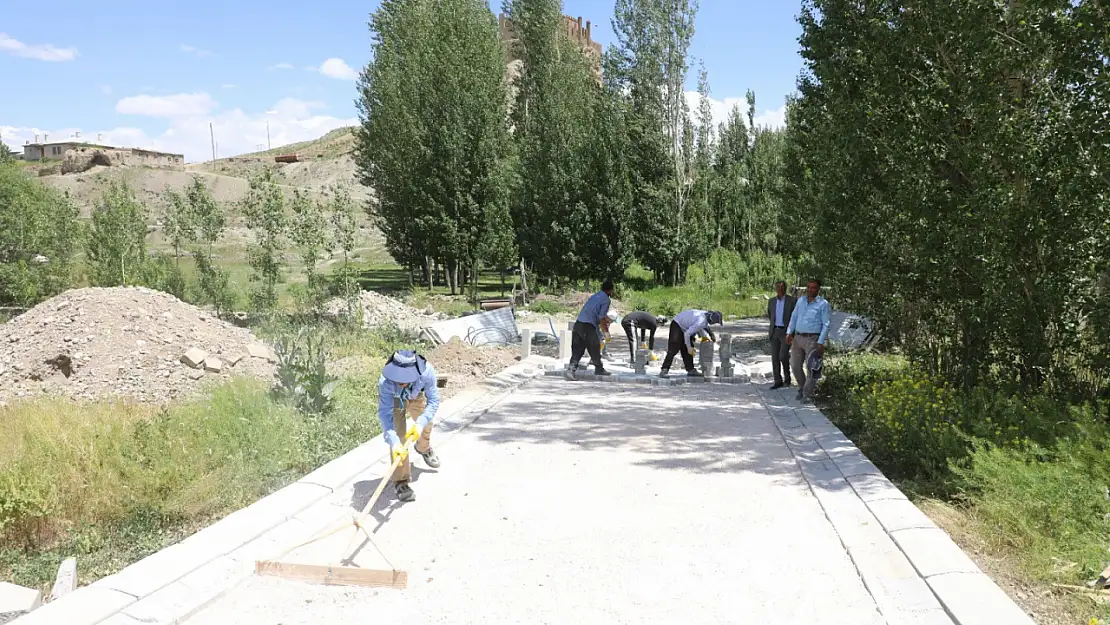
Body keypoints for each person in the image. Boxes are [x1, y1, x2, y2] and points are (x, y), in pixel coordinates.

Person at [377, 349, 441, 503]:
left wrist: (420, 423)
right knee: (399, 437)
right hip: (395, 400)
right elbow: (385, 415)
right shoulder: (385, 382)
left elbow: (433, 401)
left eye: (404, 379)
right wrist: (393, 441)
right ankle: (401, 481)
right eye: (397, 379)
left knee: (426, 425)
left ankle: (423, 448)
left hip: (416, 395)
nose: (400, 382)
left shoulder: (427, 372)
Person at [785, 279, 831, 403]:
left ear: (818, 289)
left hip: (813, 339)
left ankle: (807, 394)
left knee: (811, 367)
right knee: (794, 365)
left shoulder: (823, 304)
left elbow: (826, 324)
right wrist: (789, 332)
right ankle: (802, 387)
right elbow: (794, 317)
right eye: (809, 287)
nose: (811, 290)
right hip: (798, 338)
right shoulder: (801, 301)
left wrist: (821, 342)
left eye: (814, 288)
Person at [567, 279, 614, 379]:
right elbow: (601, 318)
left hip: (578, 324)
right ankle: (599, 369)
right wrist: (606, 333)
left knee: (577, 349)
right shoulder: (606, 299)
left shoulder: (595, 296)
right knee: (595, 347)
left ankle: (571, 370)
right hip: (587, 326)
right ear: (610, 291)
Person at [660, 309, 723, 377]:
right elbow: (687, 334)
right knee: (674, 347)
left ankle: (690, 370)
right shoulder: (701, 321)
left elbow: (705, 326)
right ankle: (664, 370)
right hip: (677, 324)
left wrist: (711, 334)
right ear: (712, 321)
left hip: (685, 326)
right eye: (715, 322)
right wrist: (689, 347)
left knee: (686, 348)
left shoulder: (706, 315)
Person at [767, 280, 797, 389]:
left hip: (786, 332)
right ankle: (777, 380)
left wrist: (792, 332)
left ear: (785, 288)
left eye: (781, 287)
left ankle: (787, 378)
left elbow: (795, 317)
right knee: (775, 357)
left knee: (783, 356)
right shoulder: (771, 301)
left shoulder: (792, 301)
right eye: (777, 287)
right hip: (774, 331)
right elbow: (770, 315)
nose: (779, 289)